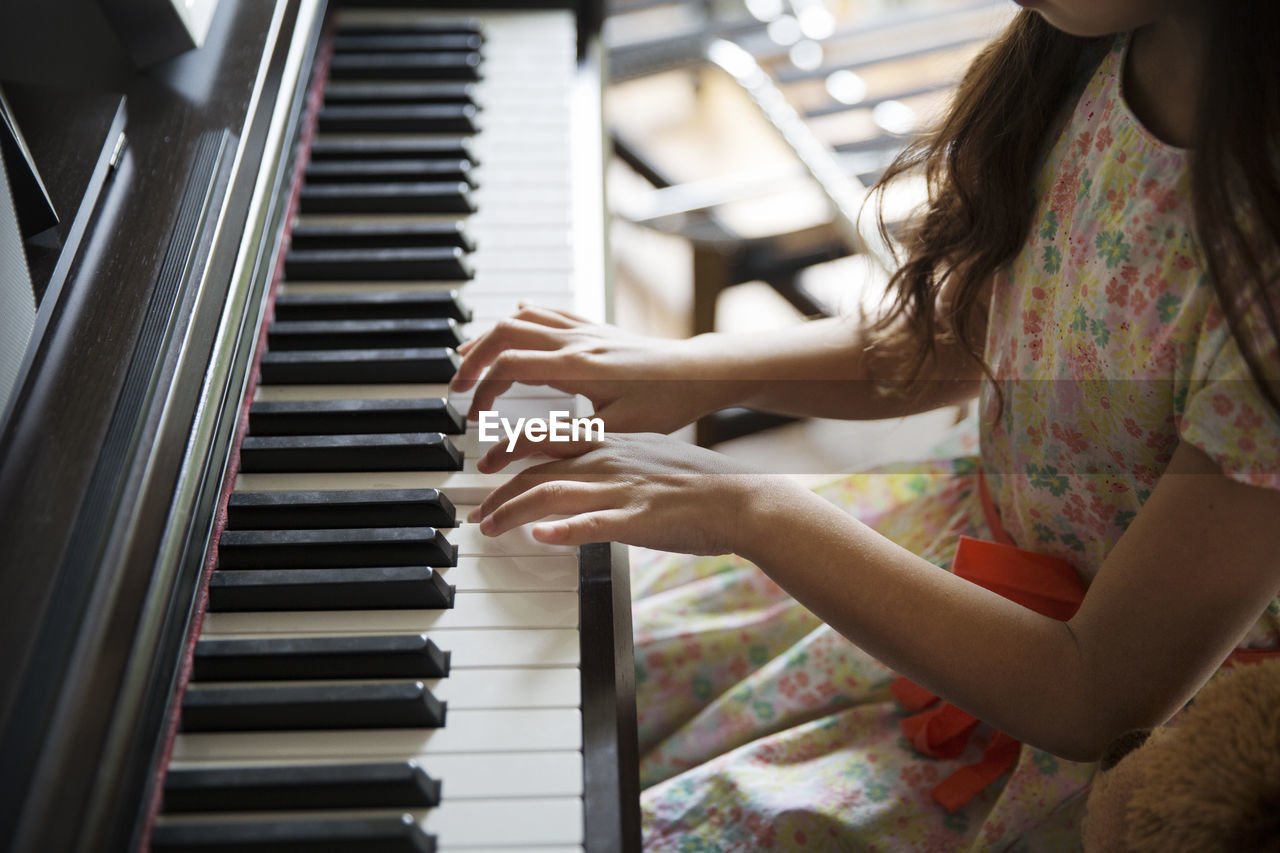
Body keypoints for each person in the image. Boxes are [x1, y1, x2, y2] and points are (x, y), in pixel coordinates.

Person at [451, 1, 1280, 848]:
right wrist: (693, 368)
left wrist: (749, 507)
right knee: (532, 695)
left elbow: (1090, 695)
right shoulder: (1099, 45)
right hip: (945, 551)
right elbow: (978, 333)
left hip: (1051, 734)